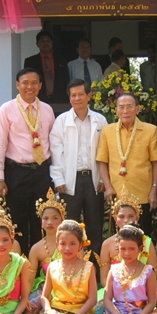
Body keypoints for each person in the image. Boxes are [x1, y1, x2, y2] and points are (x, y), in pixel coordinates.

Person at [0, 68, 55, 254]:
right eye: (25, 83)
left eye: (34, 82)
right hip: (17, 172)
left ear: (40, 85)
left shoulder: (47, 110)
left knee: (41, 219)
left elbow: (53, 142)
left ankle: (40, 262)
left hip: (42, 172)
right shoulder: (6, 109)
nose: (30, 87)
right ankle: (19, 263)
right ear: (17, 85)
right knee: (17, 220)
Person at [50, 79, 107, 258]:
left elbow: (105, 151)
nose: (77, 98)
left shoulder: (100, 120)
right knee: (70, 224)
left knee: (95, 224)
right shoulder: (61, 121)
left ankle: (96, 264)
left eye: (81, 94)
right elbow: (56, 152)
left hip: (93, 179)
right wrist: (58, 179)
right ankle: (71, 262)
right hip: (70, 180)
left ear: (89, 96)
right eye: (73, 95)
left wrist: (102, 179)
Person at [23, 220, 98, 314]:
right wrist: (50, 312)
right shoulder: (52, 266)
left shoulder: (88, 267)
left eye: (72, 244)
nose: (67, 248)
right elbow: (44, 297)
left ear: (80, 245)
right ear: (57, 244)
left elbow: (92, 299)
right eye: (63, 243)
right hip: (56, 313)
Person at [83, 224, 157, 314]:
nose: (127, 253)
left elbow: (152, 302)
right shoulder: (114, 269)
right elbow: (107, 299)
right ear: (118, 248)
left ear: (140, 248)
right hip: (114, 313)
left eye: (132, 249)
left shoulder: (148, 271)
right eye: (123, 249)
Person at [97, 93, 157, 235]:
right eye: (121, 107)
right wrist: (108, 186)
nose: (125, 111)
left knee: (143, 235)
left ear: (137, 109)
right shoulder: (108, 131)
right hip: (117, 192)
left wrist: (154, 189)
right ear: (116, 110)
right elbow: (102, 161)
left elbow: (155, 162)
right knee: (119, 235)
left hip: (142, 192)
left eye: (129, 107)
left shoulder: (150, 130)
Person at [98, 186, 157, 285]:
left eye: (131, 216)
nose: (126, 220)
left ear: (137, 218)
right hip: (114, 290)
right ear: (115, 219)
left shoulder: (147, 242)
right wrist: (117, 291)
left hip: (142, 290)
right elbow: (104, 278)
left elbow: (153, 275)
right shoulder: (107, 244)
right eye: (121, 216)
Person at [27, 187, 66, 314]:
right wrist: (23, 298)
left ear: (62, 219)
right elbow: (29, 279)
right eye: (45, 218)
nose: (50, 222)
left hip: (69, 286)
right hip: (46, 289)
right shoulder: (36, 249)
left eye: (55, 218)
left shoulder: (72, 243)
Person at [24, 30, 70, 105]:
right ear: (37, 44)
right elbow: (27, 82)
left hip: (60, 100)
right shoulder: (30, 62)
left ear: (52, 43)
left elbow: (66, 81)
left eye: (48, 41)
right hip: (38, 99)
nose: (46, 43)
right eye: (43, 41)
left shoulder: (61, 60)